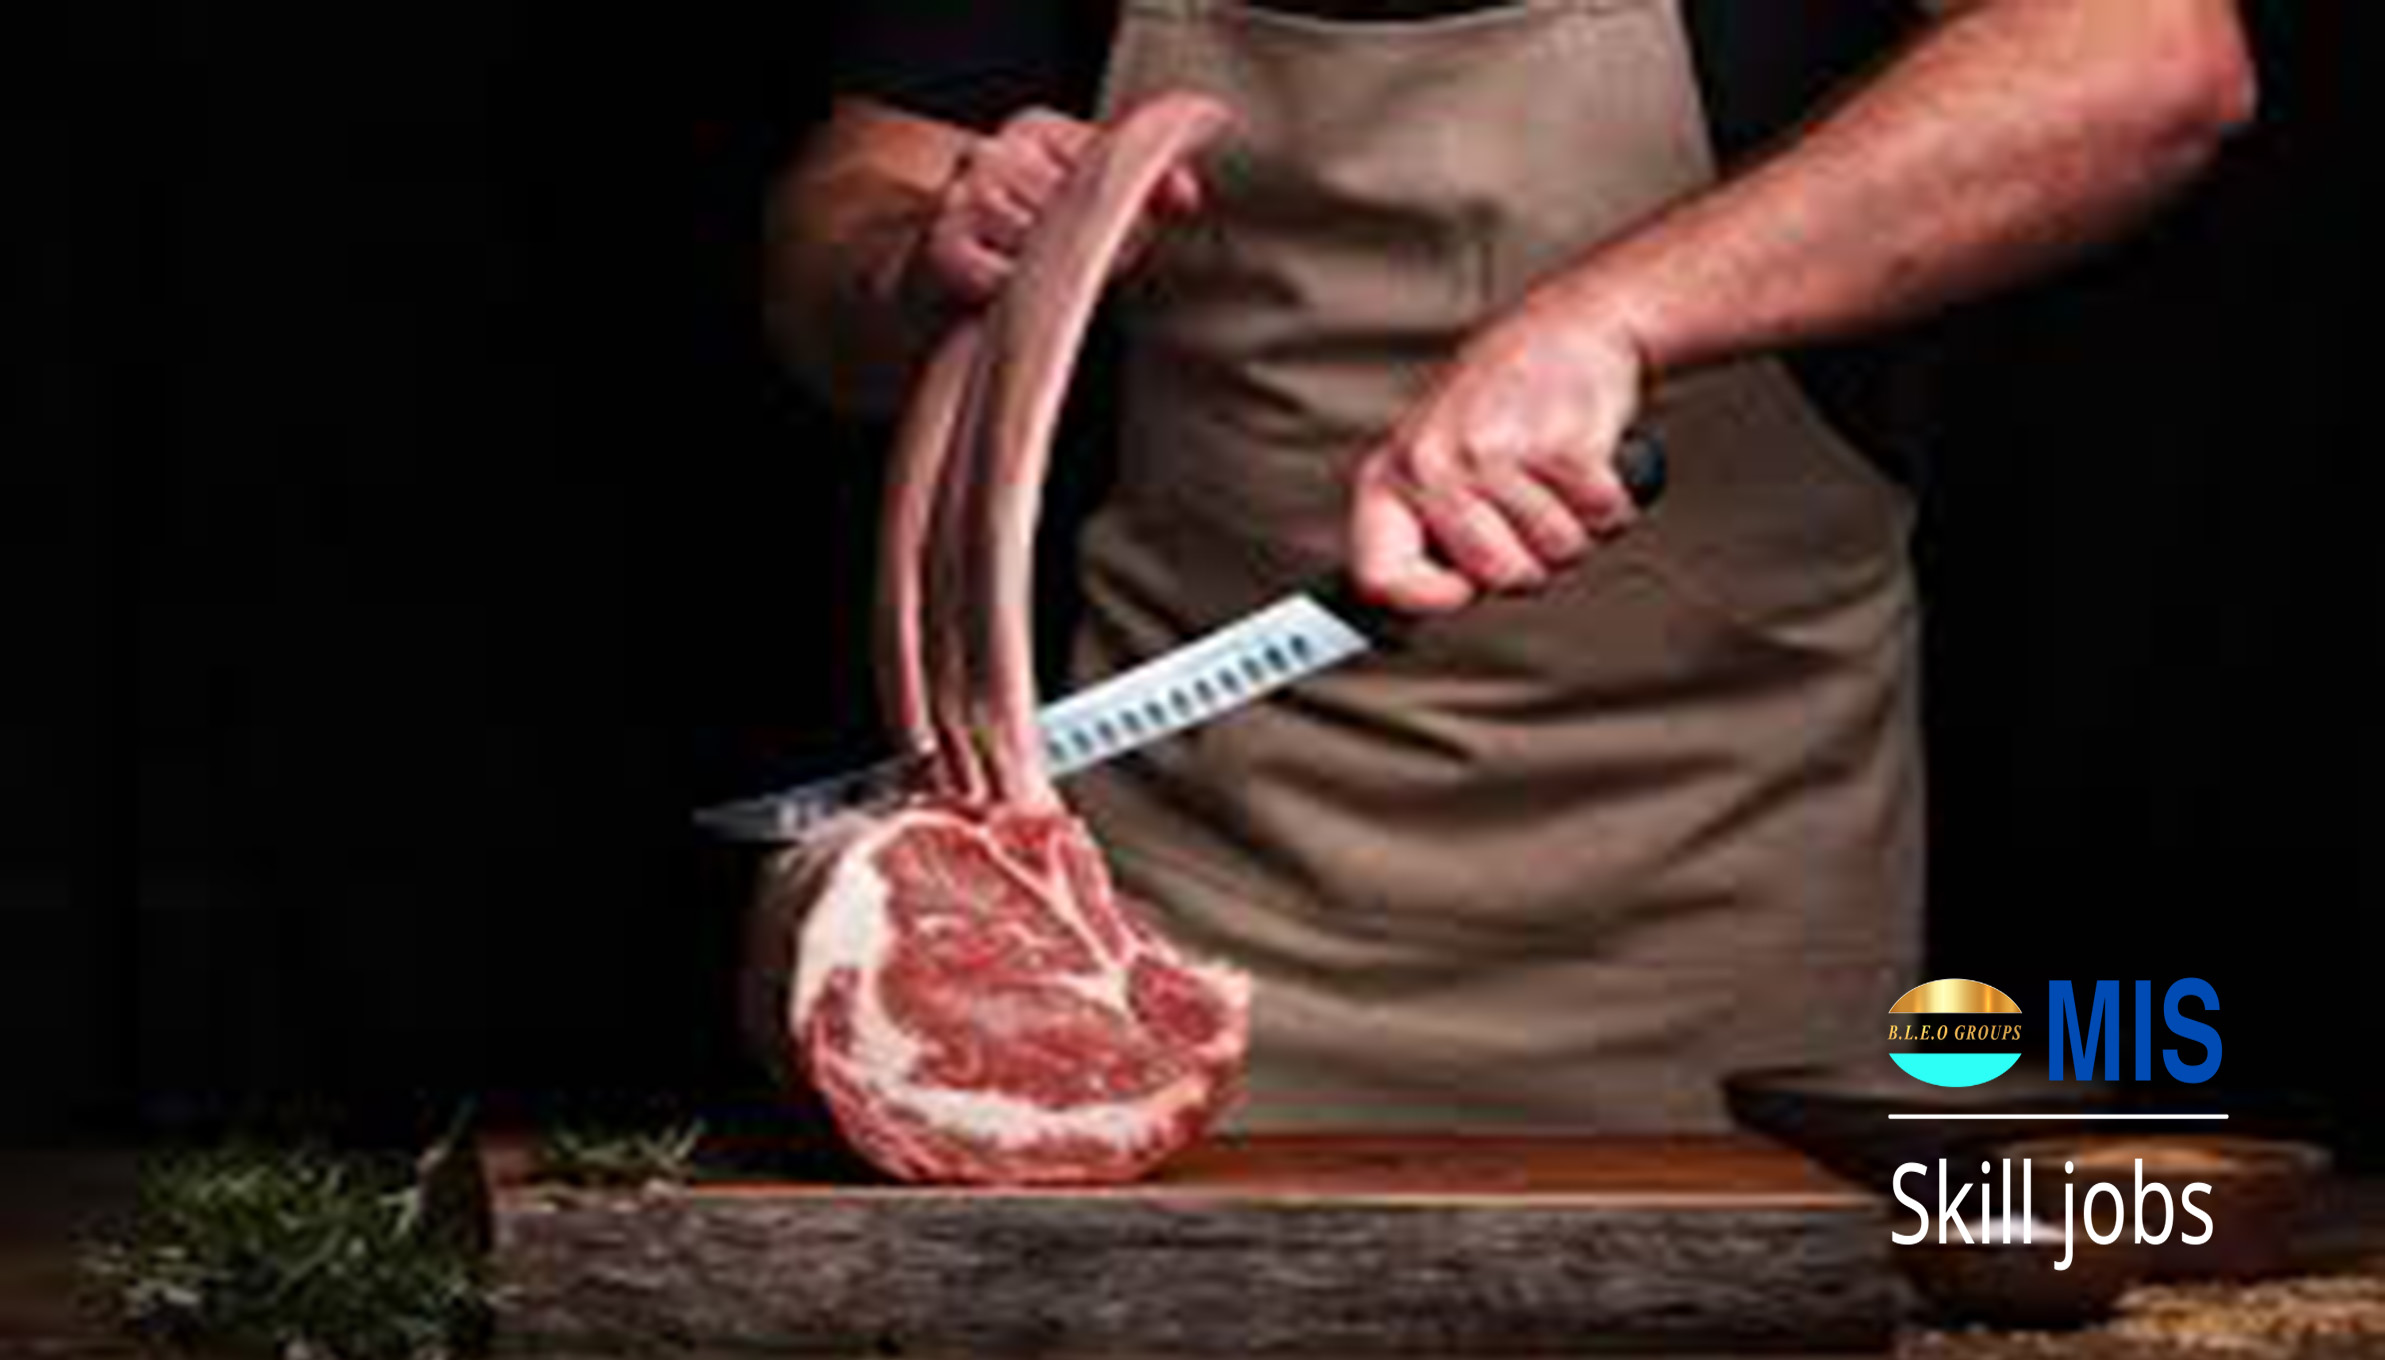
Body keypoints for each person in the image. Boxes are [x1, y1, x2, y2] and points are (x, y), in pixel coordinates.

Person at [765, 0, 2255, 1131]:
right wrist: (923, 251)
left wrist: (1614, 318)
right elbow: (850, 215)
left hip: (1718, 932)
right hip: (1157, 944)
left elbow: (2140, 56)